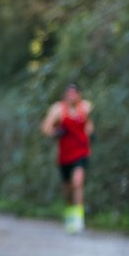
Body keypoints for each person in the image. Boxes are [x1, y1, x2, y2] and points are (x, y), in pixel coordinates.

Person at [40, 82, 93, 233]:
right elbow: (46, 127)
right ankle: (70, 215)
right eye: (68, 93)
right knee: (68, 189)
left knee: (78, 182)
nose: (71, 96)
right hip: (65, 154)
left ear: (79, 95)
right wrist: (55, 133)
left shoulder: (85, 108)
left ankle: (78, 221)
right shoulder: (58, 109)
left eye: (74, 93)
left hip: (81, 152)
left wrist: (88, 138)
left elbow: (89, 126)